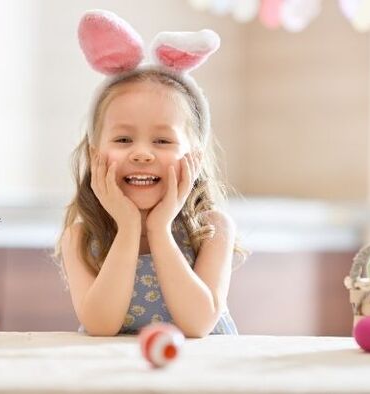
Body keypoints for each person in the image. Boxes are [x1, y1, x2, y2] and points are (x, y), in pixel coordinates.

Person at [57, 9, 244, 338]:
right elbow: (101, 326)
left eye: (162, 140)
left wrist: (159, 229)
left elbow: (198, 324)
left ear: (195, 159)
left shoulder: (212, 229)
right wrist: (128, 228)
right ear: (94, 153)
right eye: (123, 139)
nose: (141, 153)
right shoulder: (81, 238)